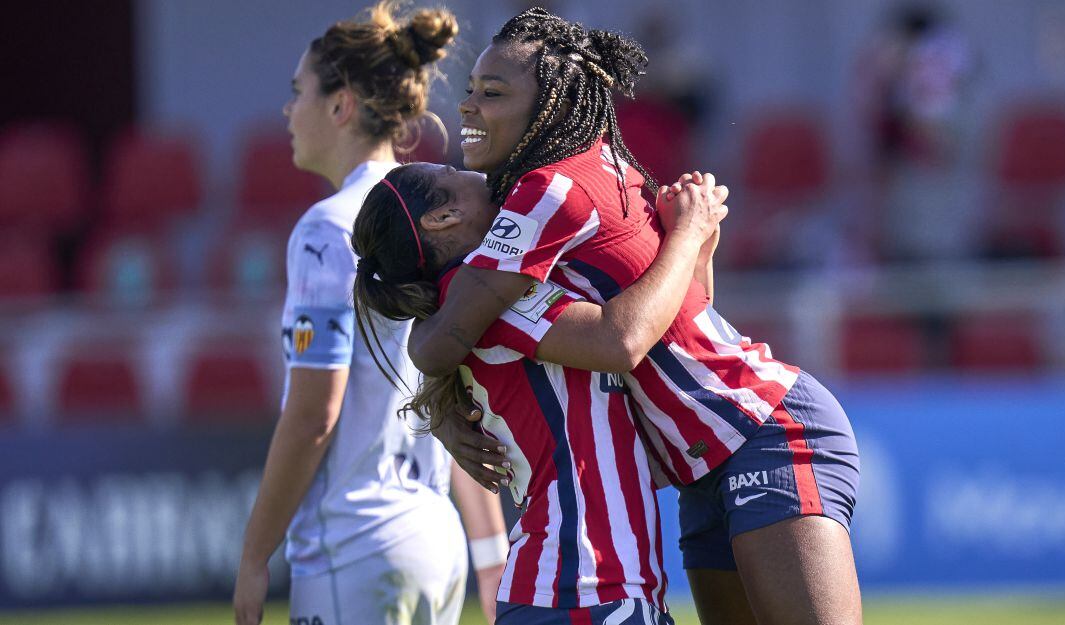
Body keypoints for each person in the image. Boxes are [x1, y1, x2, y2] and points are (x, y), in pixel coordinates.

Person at [405, 9, 862, 625]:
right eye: (469, 92)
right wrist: (695, 243)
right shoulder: (600, 168)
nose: (467, 109)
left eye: (492, 94)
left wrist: (436, 389)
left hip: (765, 431)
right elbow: (689, 313)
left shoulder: (545, 191)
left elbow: (445, 340)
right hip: (704, 460)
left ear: (553, 107)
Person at [351, 161, 729, 623]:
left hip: (579, 587)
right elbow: (624, 339)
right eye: (452, 171)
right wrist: (686, 235)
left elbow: (658, 363)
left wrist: (697, 253)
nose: (477, 171)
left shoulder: (472, 304)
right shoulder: (490, 296)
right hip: (582, 585)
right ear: (443, 217)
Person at [232, 4, 506, 624]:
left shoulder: (328, 229)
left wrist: (253, 556)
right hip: (436, 540)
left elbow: (313, 415)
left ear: (340, 105)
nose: (288, 110)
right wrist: (490, 553)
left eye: (298, 91)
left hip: (352, 546)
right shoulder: (435, 207)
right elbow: (458, 389)